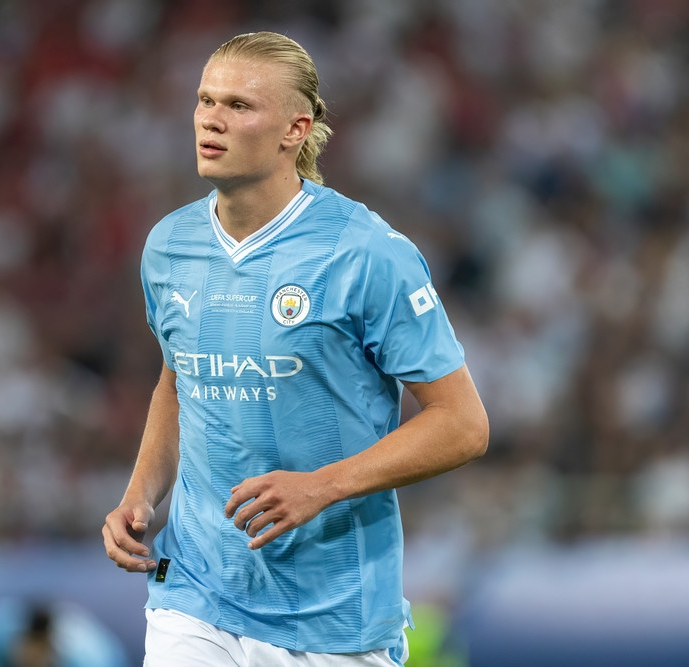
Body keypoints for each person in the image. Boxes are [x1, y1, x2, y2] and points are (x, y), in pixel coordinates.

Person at [101, 31, 488, 666]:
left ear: (294, 129)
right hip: (194, 596)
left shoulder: (365, 252)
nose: (211, 119)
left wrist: (321, 487)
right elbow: (180, 380)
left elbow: (463, 425)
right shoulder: (169, 246)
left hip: (332, 617)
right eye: (205, 100)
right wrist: (141, 496)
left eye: (239, 105)